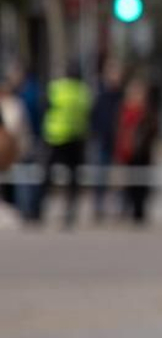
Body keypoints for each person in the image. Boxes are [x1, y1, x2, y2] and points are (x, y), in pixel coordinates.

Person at [38, 61, 92, 228]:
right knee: (74, 178)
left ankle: (40, 208)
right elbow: (89, 113)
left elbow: (45, 108)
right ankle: (70, 212)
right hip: (76, 138)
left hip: (55, 137)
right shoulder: (84, 92)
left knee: (47, 174)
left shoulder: (56, 88)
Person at [115, 76, 160, 225]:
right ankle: (125, 213)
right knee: (126, 187)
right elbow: (119, 132)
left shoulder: (147, 112)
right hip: (127, 154)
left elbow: (153, 130)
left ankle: (139, 214)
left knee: (141, 187)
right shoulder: (123, 110)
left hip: (142, 154)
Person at [89, 60, 125, 222]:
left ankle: (120, 209)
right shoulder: (100, 95)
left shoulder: (122, 96)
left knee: (119, 178)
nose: (114, 77)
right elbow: (94, 117)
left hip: (119, 143)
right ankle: (99, 207)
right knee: (100, 176)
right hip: (103, 141)